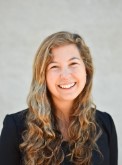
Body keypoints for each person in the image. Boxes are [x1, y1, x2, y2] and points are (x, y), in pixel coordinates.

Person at [0, 31, 118, 165]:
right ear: (42, 76)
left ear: (86, 70)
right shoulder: (15, 127)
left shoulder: (105, 124)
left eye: (73, 64)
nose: (65, 75)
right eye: (54, 67)